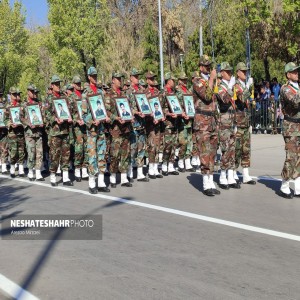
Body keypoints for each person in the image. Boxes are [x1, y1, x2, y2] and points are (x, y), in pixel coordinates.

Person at [193, 55, 219, 196]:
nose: (209, 68)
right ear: (201, 66)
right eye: (206, 66)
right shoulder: (197, 81)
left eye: (210, 66)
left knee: (212, 152)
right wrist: (212, 79)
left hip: (212, 120)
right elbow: (207, 96)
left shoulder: (210, 80)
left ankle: (211, 180)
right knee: (204, 151)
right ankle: (205, 183)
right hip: (202, 120)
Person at [45, 75, 73, 186]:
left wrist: (69, 116)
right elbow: (46, 115)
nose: (58, 86)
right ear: (52, 85)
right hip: (55, 131)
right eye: (56, 84)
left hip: (65, 130)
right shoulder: (48, 98)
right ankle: (53, 176)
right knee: (54, 154)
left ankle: (65, 177)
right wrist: (55, 119)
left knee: (66, 153)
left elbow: (69, 109)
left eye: (59, 84)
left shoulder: (64, 97)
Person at [215, 62, 240, 189]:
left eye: (231, 71)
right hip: (223, 122)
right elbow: (224, 100)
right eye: (228, 72)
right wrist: (230, 88)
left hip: (231, 122)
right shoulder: (219, 87)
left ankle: (230, 175)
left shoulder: (230, 86)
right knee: (225, 149)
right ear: (222, 73)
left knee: (232, 150)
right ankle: (222, 176)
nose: (230, 74)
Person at [278, 62, 300, 198]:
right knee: (291, 157)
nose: (297, 73)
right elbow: (295, 101)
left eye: (297, 71)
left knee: (299, 158)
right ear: (288, 74)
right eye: (294, 71)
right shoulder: (285, 89)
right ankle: (284, 185)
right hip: (290, 127)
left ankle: (298, 186)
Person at [234, 62, 256, 185]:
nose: (245, 73)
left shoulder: (244, 86)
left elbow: (247, 101)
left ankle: (246, 175)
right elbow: (241, 98)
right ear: (237, 72)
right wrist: (248, 87)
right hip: (238, 122)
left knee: (246, 149)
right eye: (243, 71)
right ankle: (233, 173)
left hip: (246, 122)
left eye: (246, 71)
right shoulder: (235, 86)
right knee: (237, 149)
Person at [126, 68, 149, 183]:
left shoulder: (141, 90)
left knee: (142, 148)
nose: (137, 78)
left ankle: (140, 173)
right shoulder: (128, 92)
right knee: (133, 149)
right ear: (131, 78)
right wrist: (136, 112)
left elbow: (146, 104)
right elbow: (126, 107)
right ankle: (129, 172)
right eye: (135, 76)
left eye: (138, 76)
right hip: (133, 124)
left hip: (142, 124)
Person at [21, 83, 45, 181]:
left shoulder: (39, 104)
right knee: (31, 152)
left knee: (40, 152)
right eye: (32, 91)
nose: (34, 93)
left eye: (35, 92)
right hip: (29, 133)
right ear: (28, 92)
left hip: (38, 132)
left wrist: (42, 122)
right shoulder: (24, 104)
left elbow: (43, 115)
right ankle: (30, 171)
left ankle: (38, 172)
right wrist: (28, 123)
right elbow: (20, 117)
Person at [144, 71, 164, 179]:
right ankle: (151, 168)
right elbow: (144, 109)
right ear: (147, 80)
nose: (153, 80)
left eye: (153, 78)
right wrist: (151, 117)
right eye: (151, 79)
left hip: (158, 123)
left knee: (157, 144)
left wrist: (161, 117)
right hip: (149, 123)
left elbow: (162, 106)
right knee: (151, 145)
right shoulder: (144, 93)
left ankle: (156, 167)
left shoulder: (158, 92)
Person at [161, 72, 179, 176]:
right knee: (167, 145)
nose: (174, 82)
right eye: (173, 80)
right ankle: (164, 165)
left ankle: (171, 165)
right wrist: (168, 113)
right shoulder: (163, 93)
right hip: (167, 123)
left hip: (175, 122)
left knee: (174, 144)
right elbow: (159, 107)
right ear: (168, 81)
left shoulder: (174, 92)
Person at [175, 71, 194, 172]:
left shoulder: (187, 90)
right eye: (183, 80)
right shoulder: (178, 91)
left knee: (190, 140)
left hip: (189, 119)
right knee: (183, 141)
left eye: (185, 80)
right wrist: (182, 113)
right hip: (182, 120)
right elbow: (177, 105)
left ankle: (187, 160)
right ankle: (180, 161)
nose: (185, 81)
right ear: (179, 81)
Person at [5, 87, 25, 178]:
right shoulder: (7, 106)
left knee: (21, 151)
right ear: (10, 95)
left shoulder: (21, 106)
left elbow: (25, 117)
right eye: (14, 94)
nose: (16, 96)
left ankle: (21, 169)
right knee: (13, 151)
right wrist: (10, 124)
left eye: (17, 94)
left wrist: (23, 123)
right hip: (12, 132)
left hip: (20, 131)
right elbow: (4, 119)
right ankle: (12, 168)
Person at [0, 89, 9, 174]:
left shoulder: (4, 106)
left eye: (1, 96)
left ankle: (4, 166)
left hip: (3, 130)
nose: (0, 97)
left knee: (4, 148)